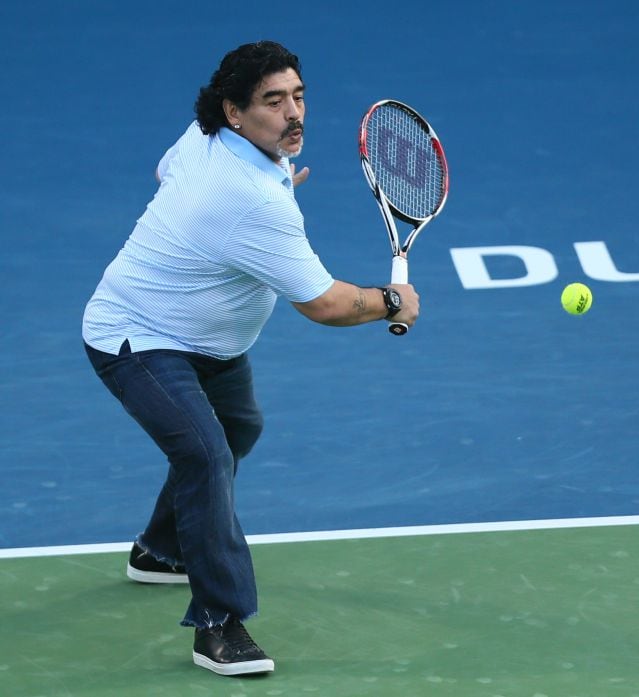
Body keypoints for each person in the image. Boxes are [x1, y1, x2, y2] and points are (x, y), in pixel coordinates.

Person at [81, 40, 418, 677]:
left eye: (298, 97)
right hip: (135, 336)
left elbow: (166, 175)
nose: (294, 113)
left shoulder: (206, 140)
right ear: (234, 113)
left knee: (237, 428)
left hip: (210, 341)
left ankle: (157, 550)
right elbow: (324, 304)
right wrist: (393, 299)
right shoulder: (250, 201)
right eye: (273, 102)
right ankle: (219, 625)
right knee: (204, 453)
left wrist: (259, 198)